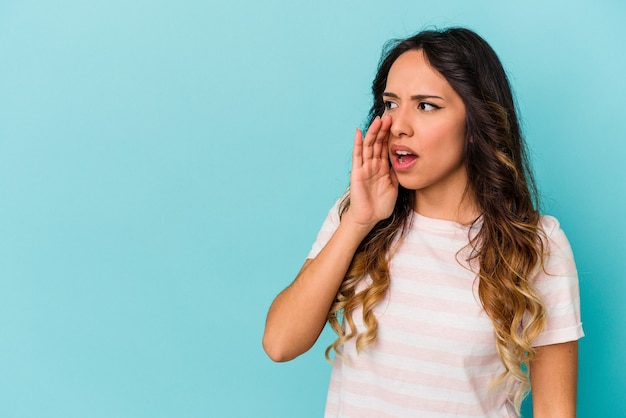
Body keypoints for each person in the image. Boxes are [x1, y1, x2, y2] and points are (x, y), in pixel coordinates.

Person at [262, 27, 583, 417]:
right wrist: (359, 222)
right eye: (391, 103)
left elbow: (554, 409)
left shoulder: (537, 245)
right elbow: (280, 343)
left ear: (476, 121)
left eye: (426, 105)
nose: (398, 125)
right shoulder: (356, 216)